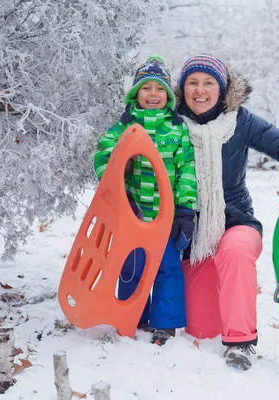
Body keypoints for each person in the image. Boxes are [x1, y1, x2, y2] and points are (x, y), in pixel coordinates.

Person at [175, 53, 279, 370]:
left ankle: (241, 344)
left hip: (237, 222)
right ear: (183, 89)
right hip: (191, 239)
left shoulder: (241, 120)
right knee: (202, 332)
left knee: (235, 251)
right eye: (192, 83)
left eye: (209, 83)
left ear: (222, 89)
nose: (200, 90)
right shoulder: (169, 124)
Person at [94, 56, 198, 345]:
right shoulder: (124, 126)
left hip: (166, 216)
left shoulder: (177, 129)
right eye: (146, 88)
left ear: (167, 95)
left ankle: (165, 324)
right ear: (135, 94)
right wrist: (118, 190)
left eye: (159, 89)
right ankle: (133, 314)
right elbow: (104, 155)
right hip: (133, 213)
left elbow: (187, 169)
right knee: (132, 265)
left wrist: (186, 209)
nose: (153, 94)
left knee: (167, 267)